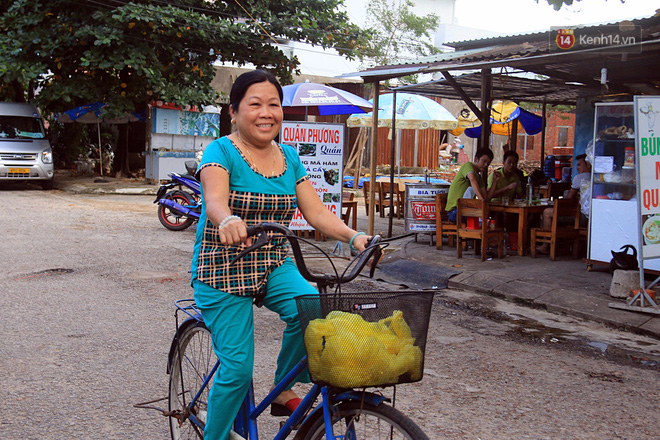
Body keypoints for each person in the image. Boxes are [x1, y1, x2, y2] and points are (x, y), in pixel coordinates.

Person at [190, 70, 371, 440]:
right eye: (254, 104)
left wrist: (355, 237)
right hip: (223, 267)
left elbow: (316, 212)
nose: (266, 112)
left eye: (273, 104)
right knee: (238, 369)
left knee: (313, 309)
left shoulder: (289, 156)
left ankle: (284, 388)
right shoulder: (221, 150)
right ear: (234, 111)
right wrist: (226, 219)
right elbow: (214, 200)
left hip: (272, 263)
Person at [536, 153, 591, 254]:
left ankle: (546, 245)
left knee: (547, 213)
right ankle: (558, 244)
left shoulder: (579, 178)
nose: (577, 168)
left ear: (588, 165)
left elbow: (569, 199)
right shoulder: (598, 177)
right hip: (592, 217)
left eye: (579, 165)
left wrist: (556, 203)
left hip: (583, 217)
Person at [445, 147, 497, 223]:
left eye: (488, 163)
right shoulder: (468, 166)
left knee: (490, 217)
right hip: (455, 211)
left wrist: (495, 182)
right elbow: (472, 179)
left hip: (466, 210)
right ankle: (470, 235)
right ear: (476, 159)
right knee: (481, 219)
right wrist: (481, 202)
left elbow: (486, 197)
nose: (486, 165)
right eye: (484, 161)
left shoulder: (479, 177)